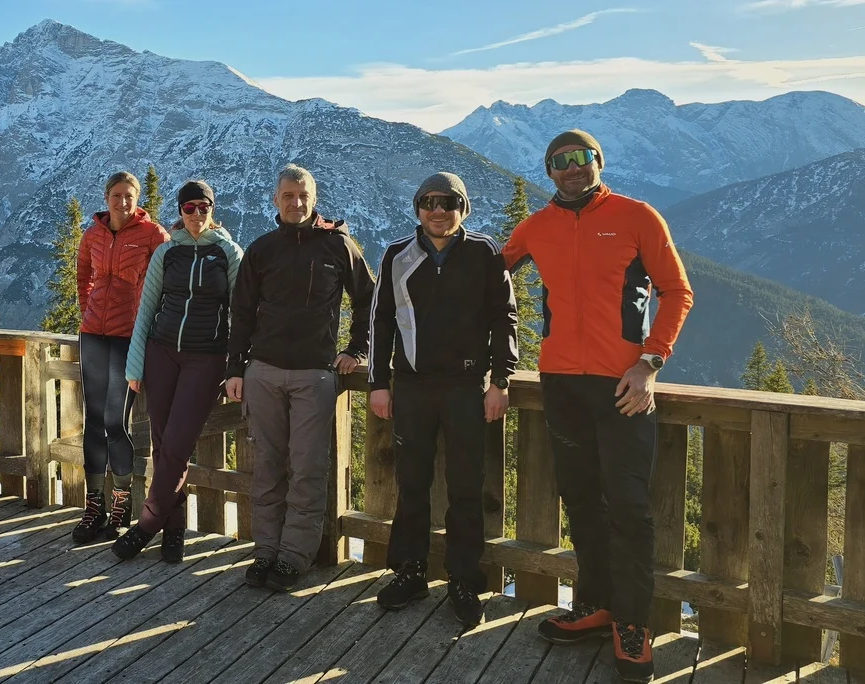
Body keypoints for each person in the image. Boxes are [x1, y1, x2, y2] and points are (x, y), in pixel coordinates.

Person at [503, 130, 693, 684]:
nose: (572, 168)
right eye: (559, 161)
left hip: (623, 386)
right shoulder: (536, 226)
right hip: (561, 382)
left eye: (581, 158)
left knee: (628, 507)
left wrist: (650, 363)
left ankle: (633, 625)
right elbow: (487, 274)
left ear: (598, 162)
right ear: (548, 171)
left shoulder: (637, 216)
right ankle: (595, 605)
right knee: (582, 498)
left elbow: (677, 291)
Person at [367, 172, 519, 629]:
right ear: (418, 207)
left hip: (466, 386)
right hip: (411, 385)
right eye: (429, 201)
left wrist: (501, 381)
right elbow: (381, 320)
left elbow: (505, 317)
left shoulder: (485, 252)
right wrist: (378, 382)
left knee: (466, 489)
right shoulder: (397, 254)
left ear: (463, 209)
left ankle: (464, 580)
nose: (438, 210)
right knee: (411, 483)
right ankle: (410, 572)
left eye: (449, 202)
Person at [225, 164, 375, 592]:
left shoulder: (337, 244)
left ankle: (293, 557)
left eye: (303, 195)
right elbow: (241, 312)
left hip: (314, 374)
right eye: (288, 195)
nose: (296, 202)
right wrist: (235, 368)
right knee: (267, 467)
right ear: (275, 200)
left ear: (314, 198)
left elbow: (369, 297)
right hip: (263, 372)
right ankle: (265, 551)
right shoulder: (262, 250)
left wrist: (357, 349)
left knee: (308, 468)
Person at [111, 180, 243, 562]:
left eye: (204, 207)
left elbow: (242, 315)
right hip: (161, 355)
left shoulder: (229, 253)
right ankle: (174, 531)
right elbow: (146, 310)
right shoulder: (167, 252)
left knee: (177, 444)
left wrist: (237, 365)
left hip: (206, 359)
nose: (197, 214)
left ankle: (146, 525)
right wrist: (135, 363)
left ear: (212, 210)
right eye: (189, 208)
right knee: (163, 446)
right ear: (181, 211)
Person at [71, 170, 169, 545]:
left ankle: (121, 507)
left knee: (116, 421)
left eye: (129, 195)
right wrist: (87, 311)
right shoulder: (93, 234)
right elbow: (83, 275)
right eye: (117, 195)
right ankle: (93, 507)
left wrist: (148, 326)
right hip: (93, 336)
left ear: (137, 198)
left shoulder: (152, 234)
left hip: (129, 338)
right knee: (93, 422)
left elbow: (164, 282)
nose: (123, 202)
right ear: (106, 197)